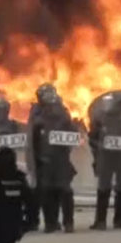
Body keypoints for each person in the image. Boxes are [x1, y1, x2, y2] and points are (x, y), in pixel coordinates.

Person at [89, 93, 121, 230]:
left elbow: (93, 136)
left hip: (113, 156)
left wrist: (97, 151)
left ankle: (108, 220)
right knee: (119, 186)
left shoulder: (104, 116)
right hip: (115, 156)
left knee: (113, 186)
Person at [37, 95, 80, 233]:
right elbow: (34, 141)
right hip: (47, 161)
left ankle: (66, 223)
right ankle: (52, 223)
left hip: (60, 161)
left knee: (63, 191)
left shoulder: (65, 121)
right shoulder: (40, 121)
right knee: (49, 192)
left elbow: (74, 138)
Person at [27, 83, 57, 231]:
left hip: (56, 157)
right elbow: (32, 130)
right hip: (39, 157)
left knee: (54, 190)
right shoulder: (36, 111)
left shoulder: (60, 110)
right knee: (38, 191)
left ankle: (53, 221)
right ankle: (34, 221)